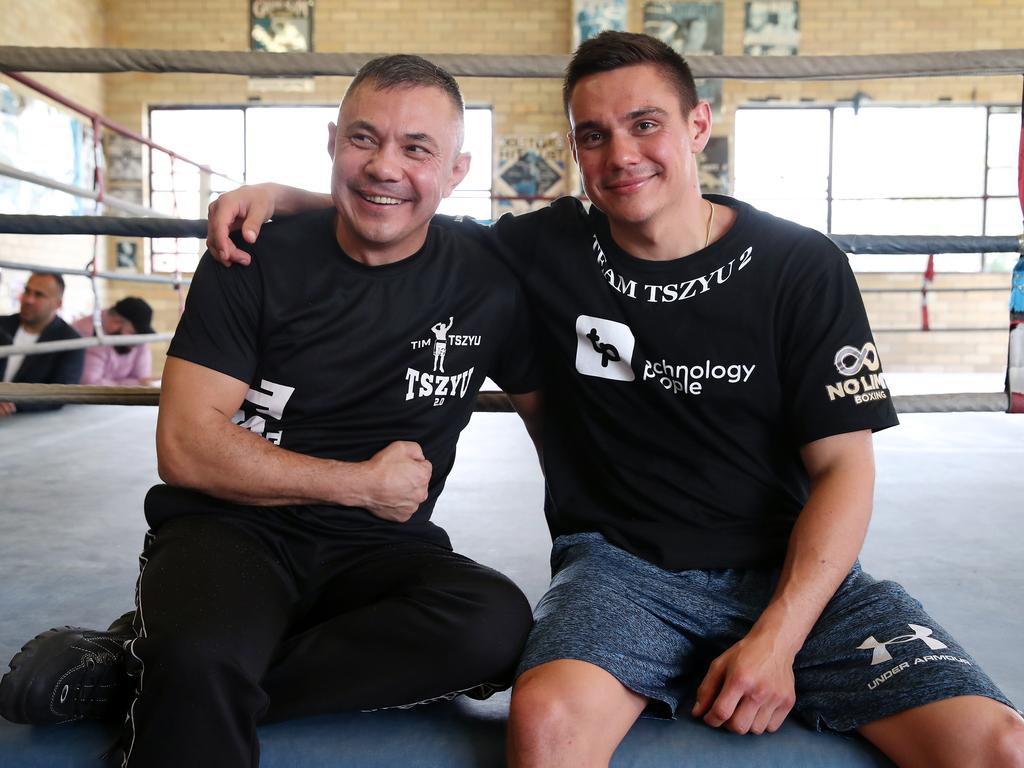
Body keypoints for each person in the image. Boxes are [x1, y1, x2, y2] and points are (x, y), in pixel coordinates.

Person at [203, 32, 1024, 768]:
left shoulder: (799, 266)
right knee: (547, 727)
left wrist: (777, 639)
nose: (620, 153)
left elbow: (846, 466)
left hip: (791, 570)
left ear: (697, 125)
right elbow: (402, 208)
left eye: (644, 124)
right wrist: (284, 195)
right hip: (620, 569)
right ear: (574, 149)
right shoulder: (544, 248)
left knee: (997, 747)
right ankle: (197, 681)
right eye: (593, 135)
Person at [0, 54, 542, 768]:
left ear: (456, 171)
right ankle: (187, 670)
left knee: (495, 625)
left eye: (417, 149)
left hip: (377, 551)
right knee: (202, 653)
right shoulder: (253, 253)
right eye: (363, 139)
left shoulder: (489, 275)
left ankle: (139, 676)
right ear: (331, 142)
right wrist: (362, 484)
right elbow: (187, 447)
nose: (385, 165)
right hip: (231, 529)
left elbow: (562, 423)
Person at [0, 271, 85, 416]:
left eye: (39, 295)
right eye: (27, 291)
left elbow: (60, 394)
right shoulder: (2, 325)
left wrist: (11, 403)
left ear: (58, 304)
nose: (28, 299)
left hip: (27, 425)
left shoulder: (71, 342)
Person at [72, 296, 157, 386]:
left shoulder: (139, 340)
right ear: (115, 322)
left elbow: (143, 380)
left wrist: (135, 384)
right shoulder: (89, 333)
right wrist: (135, 384)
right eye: (132, 332)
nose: (138, 341)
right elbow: (90, 383)